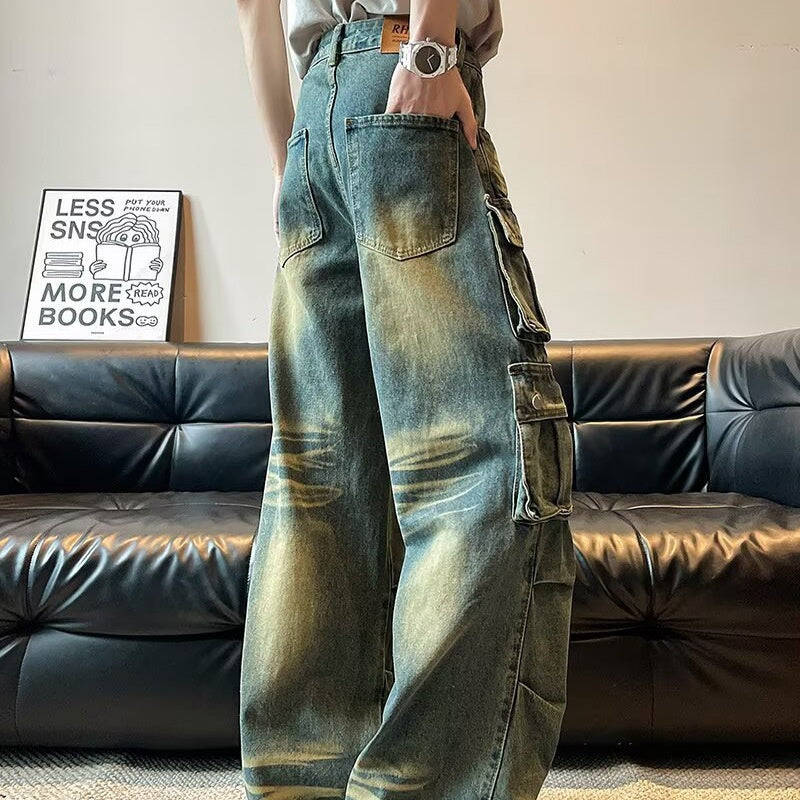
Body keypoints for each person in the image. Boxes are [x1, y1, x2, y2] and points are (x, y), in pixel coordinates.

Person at [235, 2, 577, 798]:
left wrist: (288, 160)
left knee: (319, 488)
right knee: (482, 471)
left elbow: (252, 7)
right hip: (401, 71)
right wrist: (428, 51)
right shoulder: (419, 59)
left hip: (313, 118)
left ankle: (301, 784)